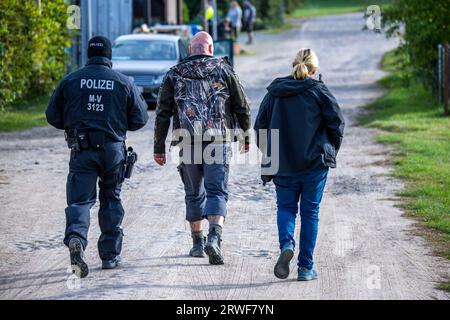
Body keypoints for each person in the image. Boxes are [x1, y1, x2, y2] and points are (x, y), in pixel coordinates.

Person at [46, 36, 149, 278]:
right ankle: (110, 257)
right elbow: (140, 119)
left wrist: (73, 124)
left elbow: (53, 116)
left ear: (88, 55)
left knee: (80, 201)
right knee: (111, 198)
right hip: (113, 151)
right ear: (109, 56)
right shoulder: (123, 82)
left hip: (81, 150)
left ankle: (76, 239)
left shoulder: (70, 80)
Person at [154, 31, 250, 265]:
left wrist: (159, 147)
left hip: (186, 140)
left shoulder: (174, 74)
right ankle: (214, 238)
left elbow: (162, 113)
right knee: (216, 191)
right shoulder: (224, 70)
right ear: (210, 49)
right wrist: (246, 137)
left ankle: (197, 244)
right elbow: (241, 106)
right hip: (217, 140)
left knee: (194, 192)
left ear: (190, 50)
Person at [254, 48, 345, 281]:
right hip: (314, 164)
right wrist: (330, 149)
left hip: (283, 164)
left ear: (293, 65)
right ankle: (305, 267)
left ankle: (287, 245)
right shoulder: (319, 91)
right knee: (310, 213)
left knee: (285, 209)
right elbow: (337, 123)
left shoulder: (275, 92)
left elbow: (260, 128)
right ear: (314, 70)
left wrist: (272, 153)